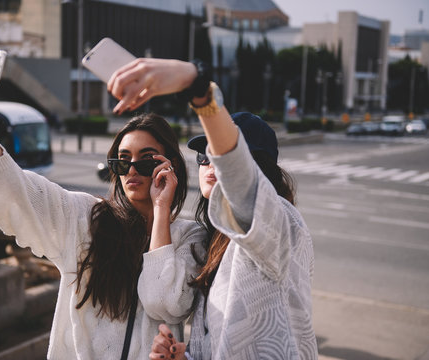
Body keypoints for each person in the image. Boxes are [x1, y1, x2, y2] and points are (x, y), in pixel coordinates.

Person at [0, 47, 205, 359]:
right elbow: (15, 188)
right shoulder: (86, 220)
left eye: (146, 160)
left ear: (170, 165)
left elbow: (165, 301)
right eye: (122, 162)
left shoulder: (191, 238)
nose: (132, 170)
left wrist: (161, 210)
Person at [108, 59, 318, 359]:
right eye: (203, 156)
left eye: (216, 155)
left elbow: (239, 175)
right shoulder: (218, 242)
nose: (208, 162)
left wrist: (198, 88)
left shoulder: (278, 223)